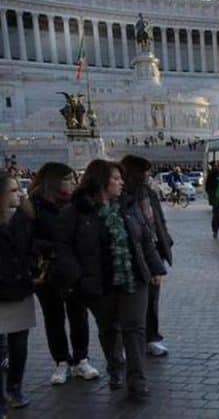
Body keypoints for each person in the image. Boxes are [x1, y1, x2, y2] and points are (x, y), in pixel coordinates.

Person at [52, 160, 166, 399]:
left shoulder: (128, 205)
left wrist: (155, 269)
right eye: (115, 178)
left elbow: (145, 238)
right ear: (101, 181)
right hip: (98, 281)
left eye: (121, 178)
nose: (121, 182)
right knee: (109, 328)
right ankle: (115, 367)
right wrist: (78, 277)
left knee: (134, 328)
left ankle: (137, 380)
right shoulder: (75, 211)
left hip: (133, 277)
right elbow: (63, 248)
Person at [20, 163, 100, 385]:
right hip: (47, 270)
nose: (73, 184)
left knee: (78, 314)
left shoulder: (77, 205)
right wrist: (54, 247)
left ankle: (81, 358)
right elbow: (27, 239)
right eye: (68, 179)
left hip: (73, 269)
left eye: (74, 179)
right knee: (53, 316)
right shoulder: (32, 206)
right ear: (54, 182)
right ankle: (61, 361)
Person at [121, 155, 173, 358]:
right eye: (144, 173)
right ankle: (130, 342)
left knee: (152, 299)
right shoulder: (123, 197)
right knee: (131, 302)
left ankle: (152, 337)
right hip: (132, 254)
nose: (147, 176)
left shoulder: (149, 194)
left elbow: (159, 220)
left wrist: (165, 241)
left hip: (153, 251)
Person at [0, 171, 34, 412]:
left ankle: (14, 387)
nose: (20, 193)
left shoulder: (25, 218)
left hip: (20, 288)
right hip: (2, 289)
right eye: (13, 190)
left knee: (19, 345)